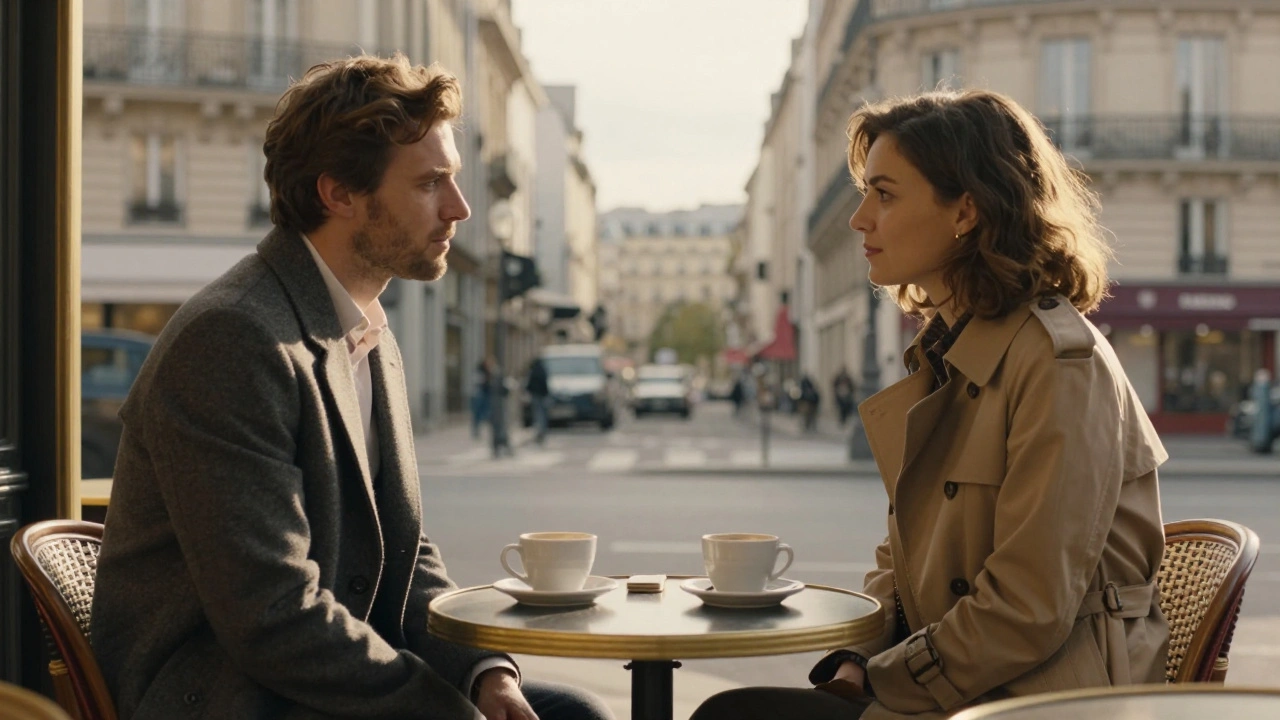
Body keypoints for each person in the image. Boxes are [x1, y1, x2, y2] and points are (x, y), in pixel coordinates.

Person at [91, 54, 613, 720]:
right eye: (430, 184)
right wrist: (443, 709)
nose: (460, 207)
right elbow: (272, 615)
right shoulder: (233, 339)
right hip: (227, 694)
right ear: (338, 194)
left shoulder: (364, 327)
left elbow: (406, 553)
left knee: (574, 713)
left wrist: (483, 674)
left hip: (322, 677)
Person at [693, 89, 1169, 720]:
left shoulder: (1056, 364)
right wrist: (858, 654)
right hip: (971, 681)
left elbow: (1028, 608)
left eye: (885, 194)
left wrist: (885, 677)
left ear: (965, 211)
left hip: (1045, 696)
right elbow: (906, 561)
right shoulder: (953, 347)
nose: (861, 218)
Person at [526, 356, 550, 444]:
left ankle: (539, 431)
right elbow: (545, 383)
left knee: (538, 414)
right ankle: (541, 430)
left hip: (536, 395)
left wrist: (528, 390)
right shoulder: (543, 370)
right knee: (542, 414)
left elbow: (530, 383)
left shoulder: (534, 371)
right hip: (542, 395)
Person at [470, 358, 492, 439]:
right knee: (477, 413)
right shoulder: (479, 372)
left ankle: (478, 430)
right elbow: (477, 382)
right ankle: (476, 431)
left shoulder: (488, 372)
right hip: (479, 394)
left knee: (484, 413)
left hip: (485, 394)